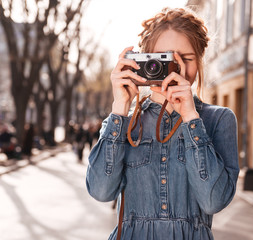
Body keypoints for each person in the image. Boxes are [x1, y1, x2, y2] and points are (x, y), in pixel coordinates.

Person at [86, 7, 240, 240]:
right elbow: (100, 191)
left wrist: (190, 118)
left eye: (185, 59)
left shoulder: (219, 119)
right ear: (143, 62)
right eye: (163, 59)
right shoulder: (124, 122)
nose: (174, 69)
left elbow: (212, 201)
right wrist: (120, 107)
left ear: (199, 61)